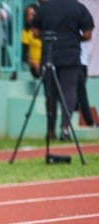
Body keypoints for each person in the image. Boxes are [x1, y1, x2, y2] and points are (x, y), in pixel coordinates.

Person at [32, 0, 94, 141]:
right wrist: (73, 38)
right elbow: (87, 34)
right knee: (69, 91)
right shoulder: (79, 8)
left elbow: (35, 33)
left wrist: (49, 37)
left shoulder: (44, 8)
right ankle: (65, 129)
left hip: (49, 54)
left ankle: (50, 131)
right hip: (70, 56)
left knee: (50, 94)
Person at [21, 4, 42, 79]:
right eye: (27, 15)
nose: (30, 18)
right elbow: (24, 55)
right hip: (35, 66)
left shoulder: (43, 30)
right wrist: (34, 63)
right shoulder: (26, 32)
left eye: (32, 15)